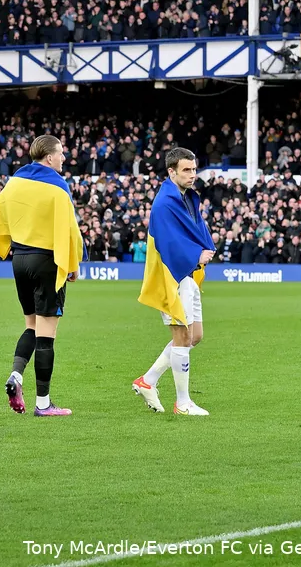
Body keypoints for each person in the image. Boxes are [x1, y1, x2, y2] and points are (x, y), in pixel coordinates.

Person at [0, 134, 83, 417]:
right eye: (61, 153)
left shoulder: (14, 182)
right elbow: (69, 228)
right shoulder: (57, 186)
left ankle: (16, 375)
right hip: (46, 261)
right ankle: (43, 404)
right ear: (49, 157)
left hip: (19, 259)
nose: (64, 158)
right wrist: (72, 262)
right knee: (47, 336)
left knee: (31, 325)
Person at [132, 147, 215, 416]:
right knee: (182, 337)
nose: (193, 175)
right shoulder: (165, 202)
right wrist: (196, 253)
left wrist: (206, 247)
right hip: (173, 274)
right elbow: (167, 243)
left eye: (194, 169)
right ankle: (183, 402)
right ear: (171, 172)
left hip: (187, 273)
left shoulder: (187, 197)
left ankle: (148, 380)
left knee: (195, 336)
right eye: (187, 170)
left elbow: (196, 227)